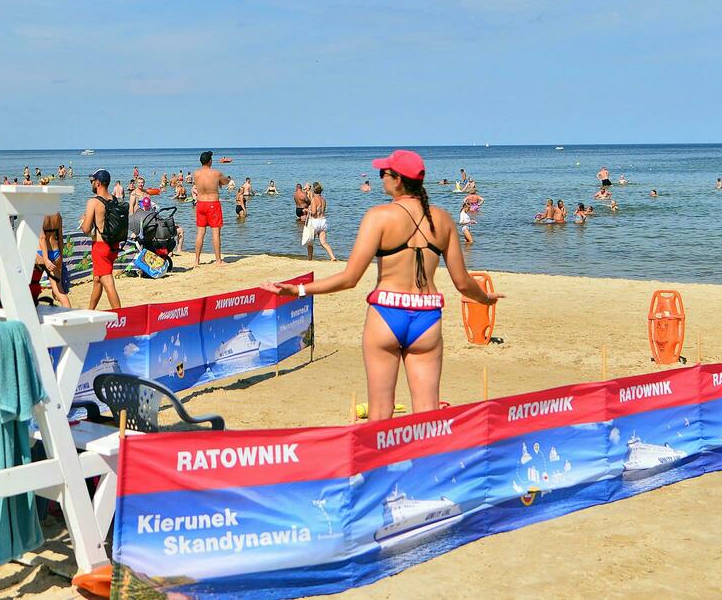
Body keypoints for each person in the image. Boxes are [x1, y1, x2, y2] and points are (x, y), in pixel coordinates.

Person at [259, 150, 500, 420]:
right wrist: (486, 299)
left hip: (386, 312)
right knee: (427, 416)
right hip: (427, 315)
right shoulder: (442, 219)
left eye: (383, 173)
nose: (381, 178)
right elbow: (463, 283)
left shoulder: (379, 217)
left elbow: (350, 279)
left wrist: (299, 290)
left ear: (398, 180)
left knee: (380, 414)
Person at [78, 170, 123, 310]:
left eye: (92, 181)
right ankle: (89, 311)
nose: (92, 184)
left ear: (98, 182)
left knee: (107, 281)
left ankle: (121, 316)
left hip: (100, 246)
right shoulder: (114, 199)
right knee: (97, 280)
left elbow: (86, 229)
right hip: (113, 245)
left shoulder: (93, 202)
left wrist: (84, 219)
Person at [192, 151, 225, 266]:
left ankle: (196, 260)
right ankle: (218, 260)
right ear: (210, 161)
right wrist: (221, 182)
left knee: (200, 233)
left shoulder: (195, 174)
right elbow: (226, 181)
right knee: (215, 232)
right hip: (212, 204)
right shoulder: (216, 173)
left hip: (200, 203)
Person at [35, 212, 70, 308]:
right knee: (59, 291)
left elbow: (42, 238)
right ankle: (70, 313)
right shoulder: (57, 214)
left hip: (41, 253)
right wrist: (60, 258)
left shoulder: (38, 214)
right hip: (56, 252)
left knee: (31, 285)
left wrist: (46, 259)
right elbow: (60, 238)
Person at [303, 182, 336, 260]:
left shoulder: (314, 199)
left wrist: (306, 210)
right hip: (323, 221)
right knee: (324, 243)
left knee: (310, 243)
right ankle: (332, 257)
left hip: (315, 222)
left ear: (314, 190)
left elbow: (314, 213)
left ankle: (310, 259)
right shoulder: (323, 200)